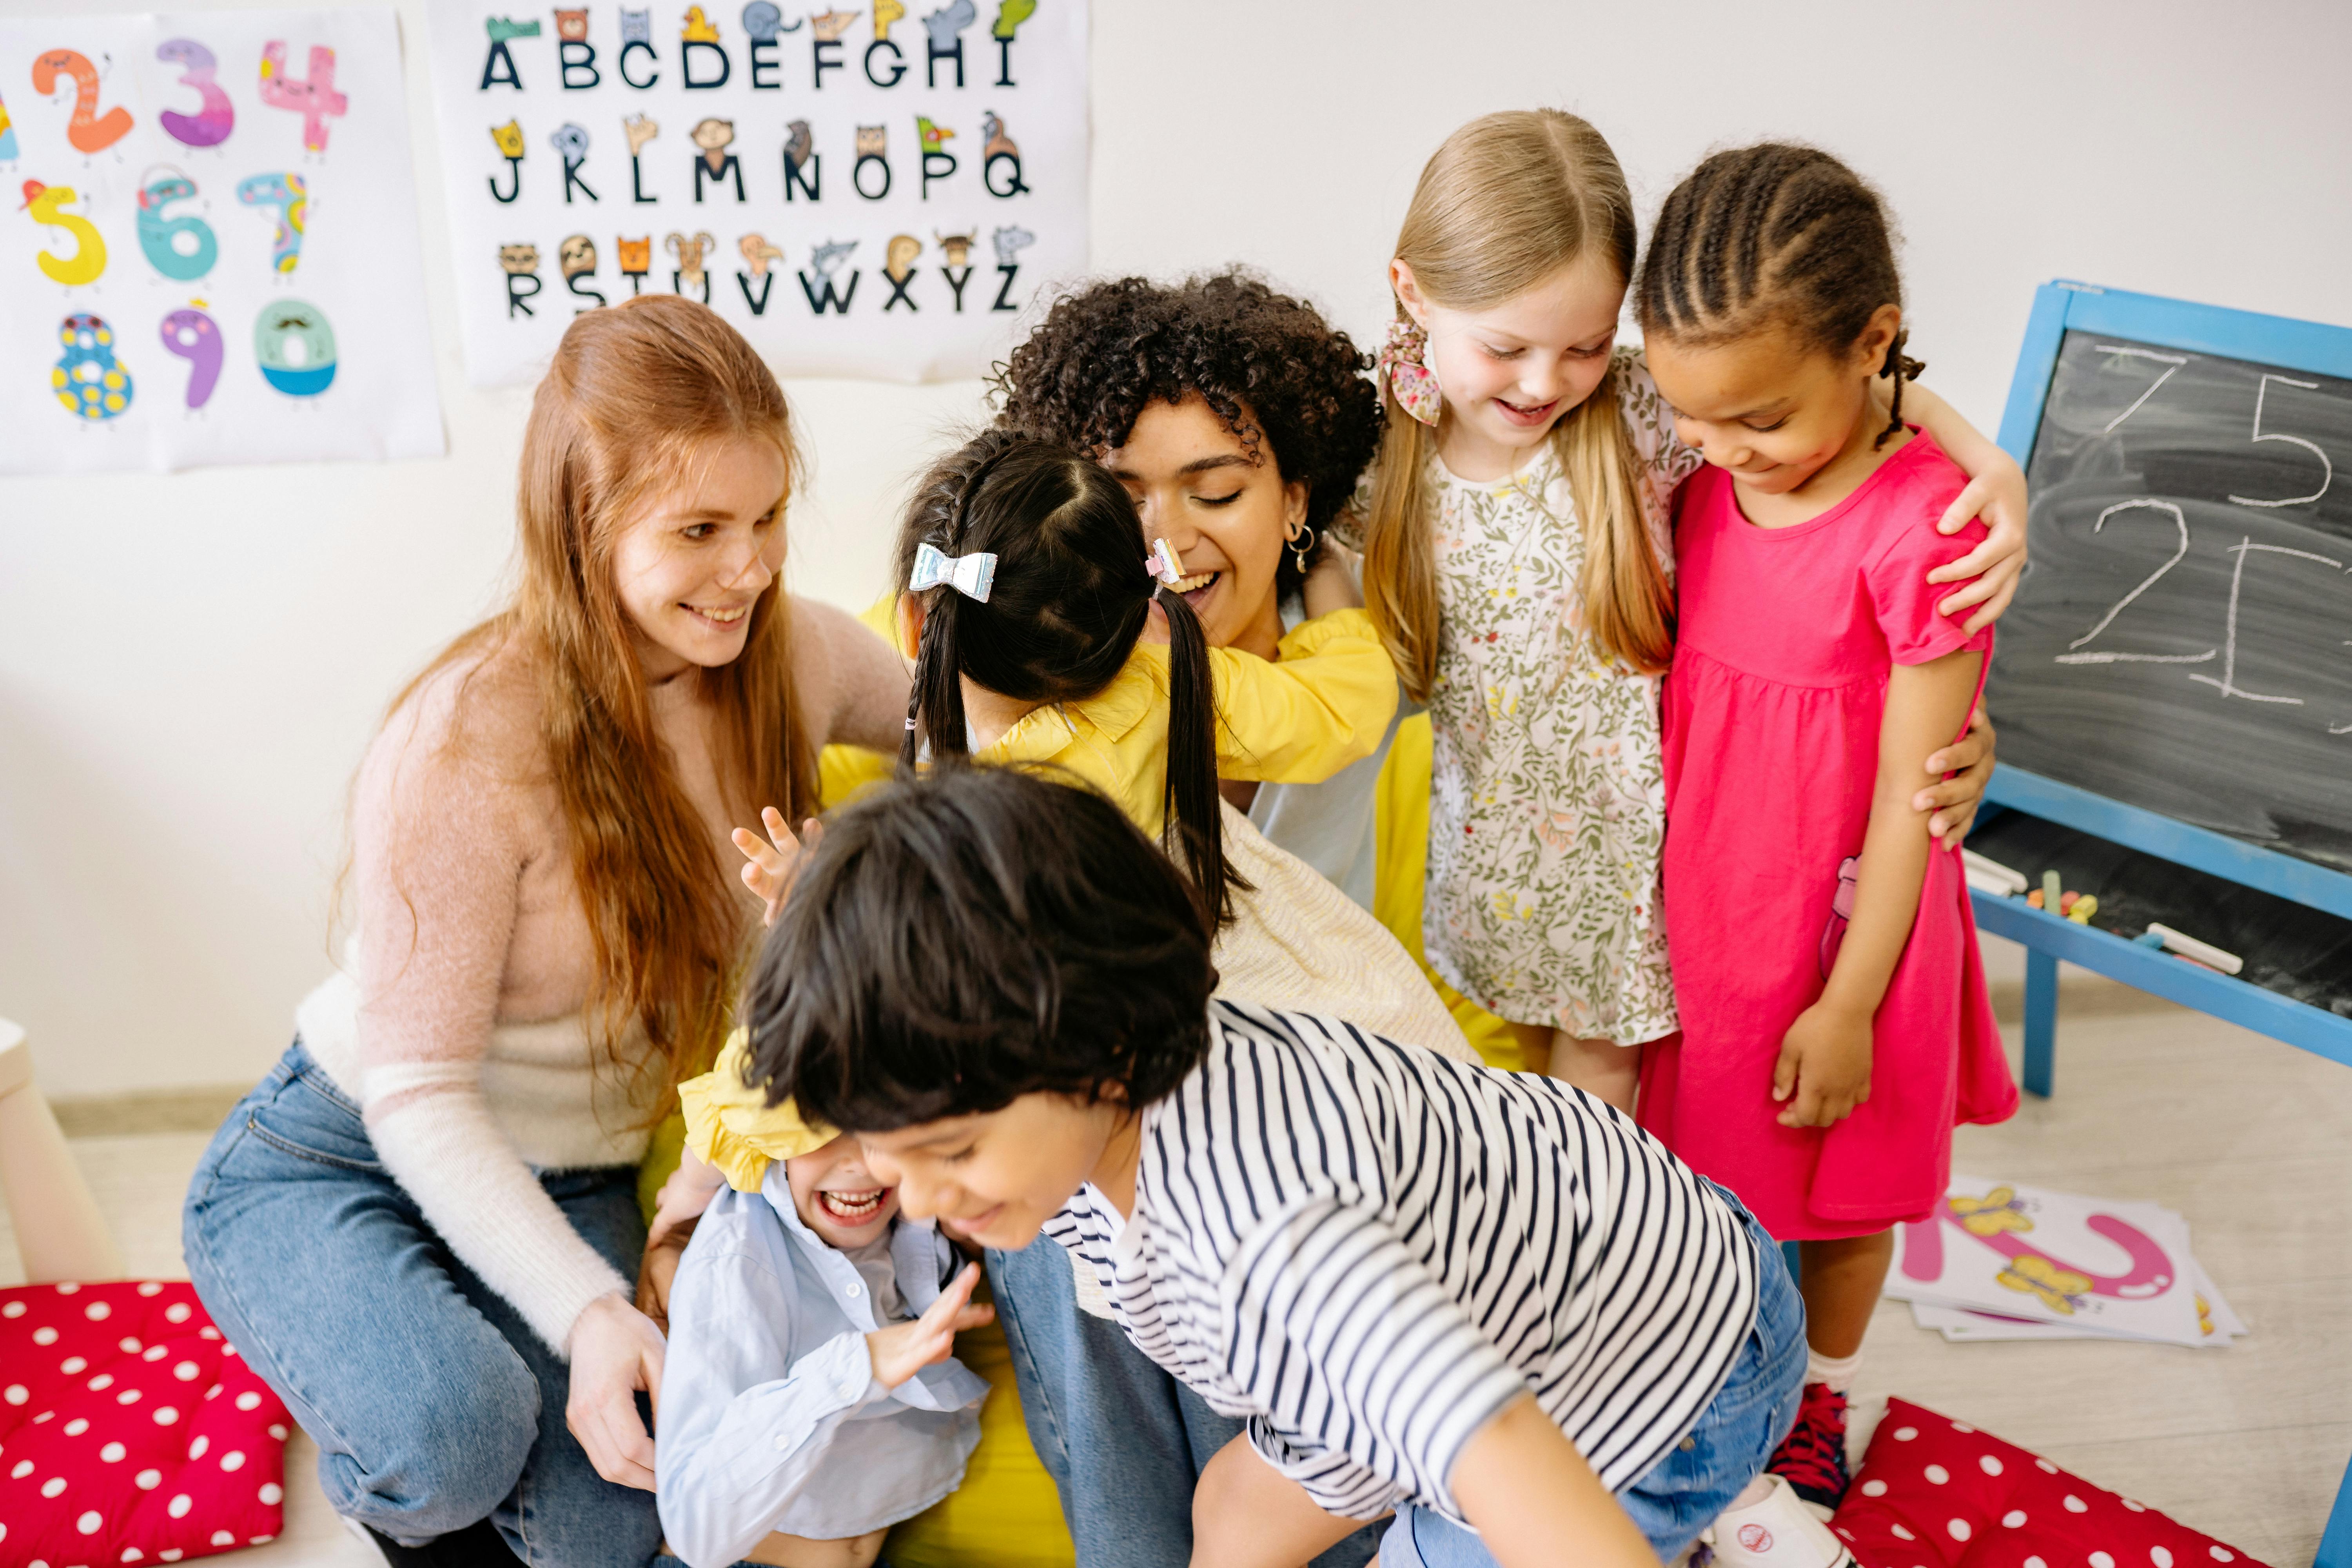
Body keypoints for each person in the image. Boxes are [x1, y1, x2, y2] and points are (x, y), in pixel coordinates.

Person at [180, 298, 911, 1568]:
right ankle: (380, 1366)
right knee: (451, 1436)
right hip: (349, 1147)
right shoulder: (466, 739)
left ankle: (470, 1355)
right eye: (699, 531)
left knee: (624, 1525)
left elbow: (970, 733)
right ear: (585, 525)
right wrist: (583, 1317)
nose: (748, 567)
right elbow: (416, 1089)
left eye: (767, 519)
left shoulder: (796, 656)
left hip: (575, 1176)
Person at [736, 764, 1859, 1568]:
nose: (922, 1200)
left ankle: (1728, 1511)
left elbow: (1509, 1450)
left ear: (1100, 1051)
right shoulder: (1081, 1106)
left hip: (1656, 1375)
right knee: (1231, 1515)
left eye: (955, 1152)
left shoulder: (1277, 1234)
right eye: (889, 1149)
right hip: (1548, 1258)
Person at [1347, 109, 2029, 1112]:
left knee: (1600, 1111)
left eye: (1584, 345)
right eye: (1507, 348)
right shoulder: (1377, 445)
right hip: (1487, 846)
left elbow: (1833, 392)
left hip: (1627, 863)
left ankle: (1596, 1266)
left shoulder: (1635, 415)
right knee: (1517, 1084)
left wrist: (1990, 465)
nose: (1546, 383)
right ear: (1411, 289)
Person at [1634, 143, 2020, 1516]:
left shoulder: (1926, 528)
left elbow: (1918, 799)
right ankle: (1712, 1379)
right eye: (1698, 420)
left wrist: (1852, 1000)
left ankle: (1816, 1397)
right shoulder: (1696, 472)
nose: (1723, 447)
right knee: (1711, 1186)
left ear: (1874, 346)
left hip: (1853, 928)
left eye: (1759, 419)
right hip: (1708, 917)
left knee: (1843, 1194)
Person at [655, 1109, 991, 1568]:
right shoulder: (738, 1257)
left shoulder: (917, 1215)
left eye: (878, 1124)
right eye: (821, 1129)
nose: (860, 1164)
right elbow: (697, 1530)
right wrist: (858, 1366)